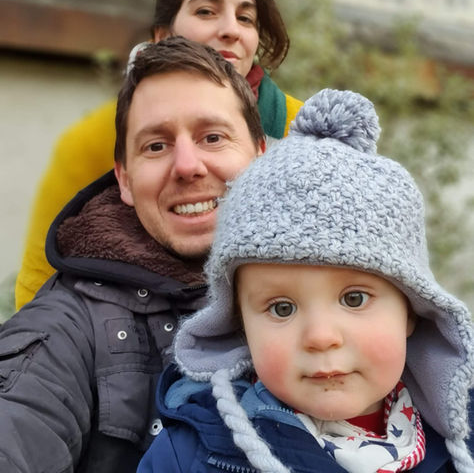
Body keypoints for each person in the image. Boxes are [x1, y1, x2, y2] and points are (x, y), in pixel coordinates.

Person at [138, 89, 474, 473]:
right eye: (282, 308)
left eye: (354, 299)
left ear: (411, 310)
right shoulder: (187, 457)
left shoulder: (461, 440)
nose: (320, 336)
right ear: (240, 324)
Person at [0, 37, 265, 473]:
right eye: (156, 146)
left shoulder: (333, 280)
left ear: (260, 153)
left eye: (213, 137)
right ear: (123, 179)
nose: (187, 165)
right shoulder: (66, 330)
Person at [16, 0, 303, 310]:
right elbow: (40, 282)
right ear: (163, 34)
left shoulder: (302, 128)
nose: (231, 29)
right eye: (206, 11)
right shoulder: (91, 141)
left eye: (246, 18)